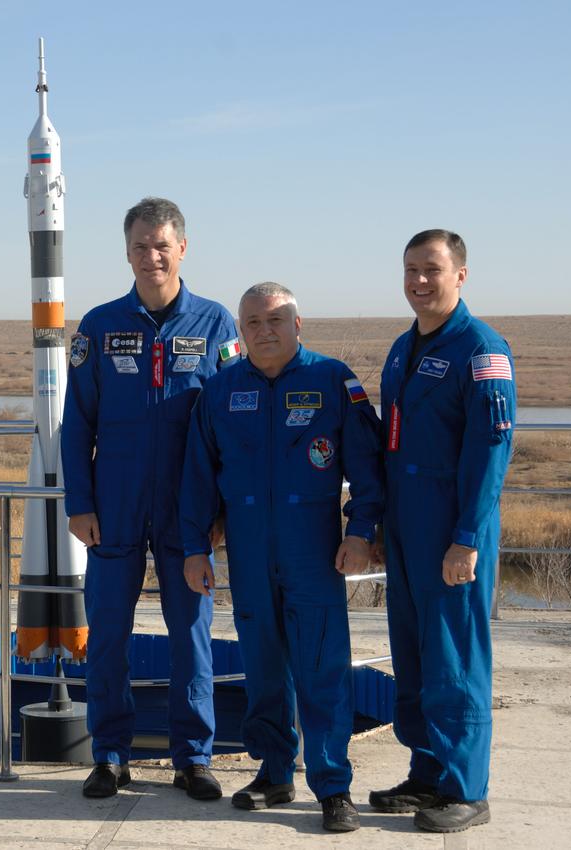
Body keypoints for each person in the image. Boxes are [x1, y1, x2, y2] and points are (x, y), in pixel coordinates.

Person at [179, 282, 384, 832]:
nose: (264, 330)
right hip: (247, 554)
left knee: (322, 670)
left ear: (298, 323)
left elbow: (367, 468)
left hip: (313, 553)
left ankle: (332, 787)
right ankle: (273, 772)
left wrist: (361, 530)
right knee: (264, 669)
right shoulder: (221, 391)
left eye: (275, 319)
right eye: (252, 322)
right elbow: (198, 479)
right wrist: (195, 548)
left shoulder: (332, 380)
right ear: (240, 332)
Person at [61, 197, 241, 800]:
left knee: (190, 632)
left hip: (188, 508)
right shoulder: (99, 325)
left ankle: (193, 756)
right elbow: (76, 423)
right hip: (113, 504)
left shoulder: (216, 324)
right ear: (127, 252)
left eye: (162, 245)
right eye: (140, 246)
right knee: (109, 632)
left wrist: (219, 511)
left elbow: (232, 430)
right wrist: (78, 503)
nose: (151, 256)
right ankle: (110, 754)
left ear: (182, 249)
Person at [369, 230, 515, 833]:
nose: (419, 281)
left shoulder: (480, 349)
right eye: (410, 270)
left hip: (450, 531)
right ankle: (426, 772)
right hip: (405, 527)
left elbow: (490, 451)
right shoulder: (404, 349)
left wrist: (468, 537)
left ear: (461, 275)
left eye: (432, 269)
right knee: (416, 657)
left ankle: (466, 788)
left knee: (455, 661)